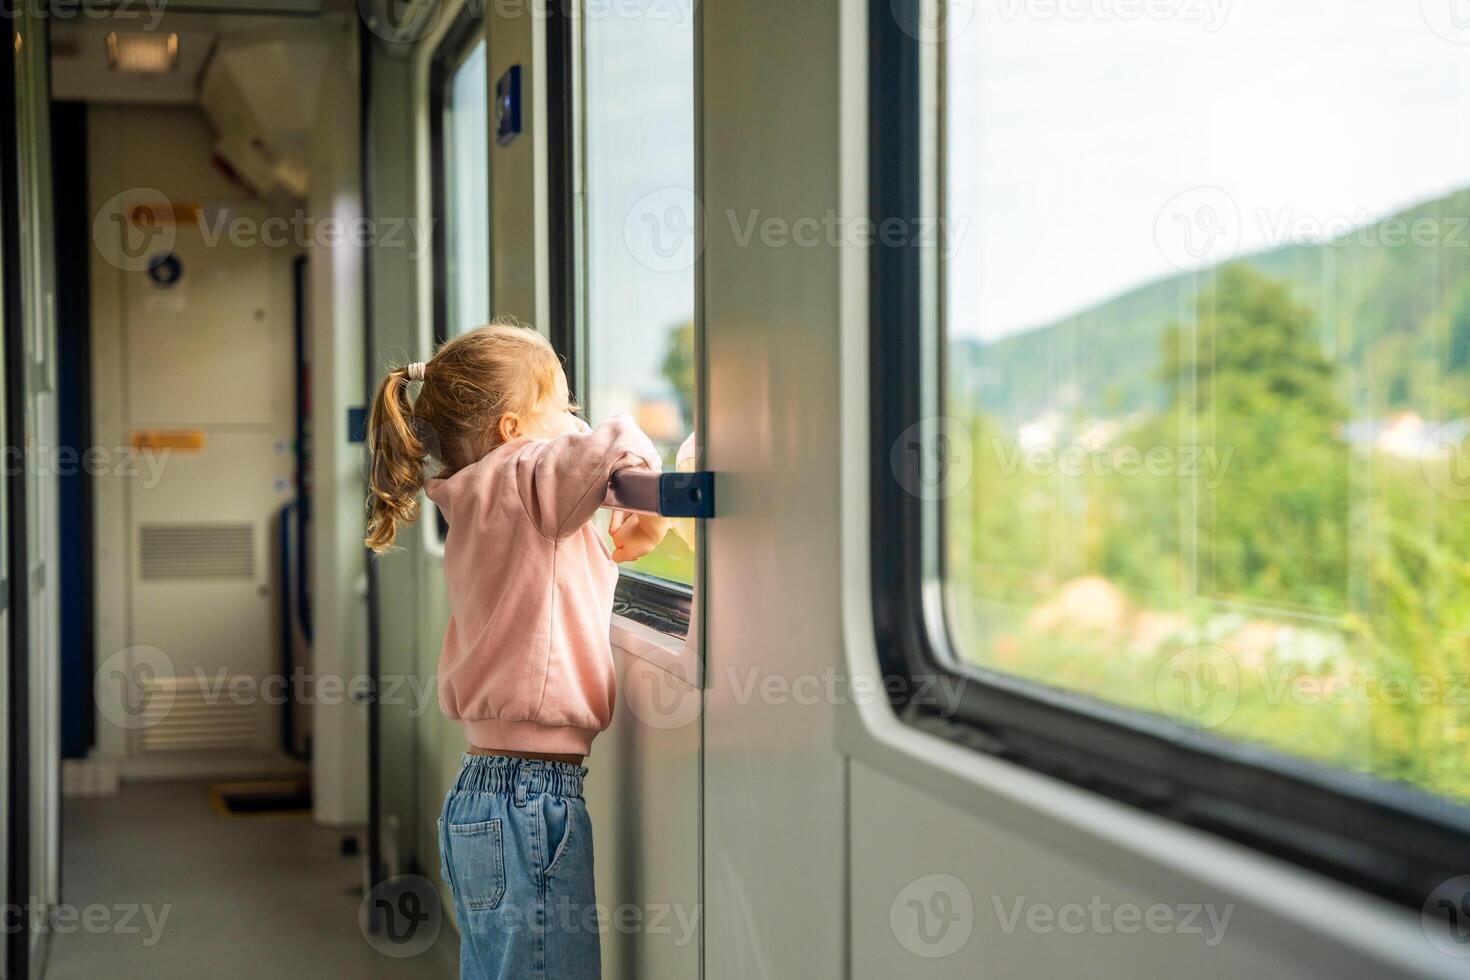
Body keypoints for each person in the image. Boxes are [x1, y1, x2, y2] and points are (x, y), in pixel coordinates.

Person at [363, 319, 669, 979]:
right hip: (531, 799)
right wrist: (629, 464)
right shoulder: (526, 472)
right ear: (511, 430)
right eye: (562, 406)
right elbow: (614, 440)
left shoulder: (483, 497)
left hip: (487, 794)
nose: (574, 421)